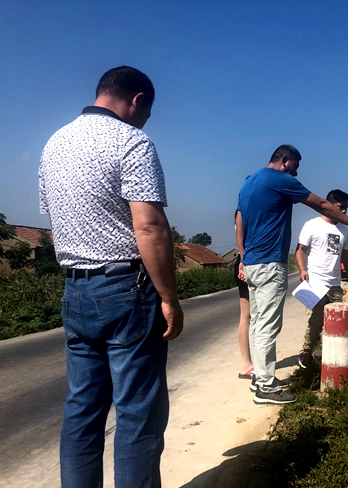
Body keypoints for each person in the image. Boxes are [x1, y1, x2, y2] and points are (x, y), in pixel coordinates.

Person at [39, 66, 183, 488]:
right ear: (138, 100)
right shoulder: (131, 141)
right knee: (138, 415)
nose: (145, 121)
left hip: (75, 288)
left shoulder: (55, 143)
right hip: (126, 290)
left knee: (82, 411)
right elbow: (150, 227)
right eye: (147, 112)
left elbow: (56, 226)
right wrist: (169, 297)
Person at [236, 144, 348, 405]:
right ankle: (266, 387)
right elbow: (320, 203)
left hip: (252, 262)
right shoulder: (279, 179)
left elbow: (239, 220)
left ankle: (259, 378)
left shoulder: (249, 182)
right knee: (268, 325)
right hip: (269, 262)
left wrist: (242, 256)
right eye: (295, 167)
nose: (296, 173)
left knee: (258, 322)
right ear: (284, 160)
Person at [295, 189, 348, 368]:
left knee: (337, 322)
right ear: (329, 205)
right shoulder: (312, 225)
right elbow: (300, 250)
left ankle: (332, 356)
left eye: (346, 207)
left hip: (335, 285)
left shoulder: (343, 230)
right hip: (315, 283)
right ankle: (306, 353)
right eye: (340, 207)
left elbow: (346, 256)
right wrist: (302, 269)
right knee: (315, 321)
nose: (344, 211)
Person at [234, 252, 254, 378]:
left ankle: (252, 363)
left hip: (250, 262)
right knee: (246, 315)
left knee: (250, 316)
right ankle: (246, 365)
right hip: (247, 263)